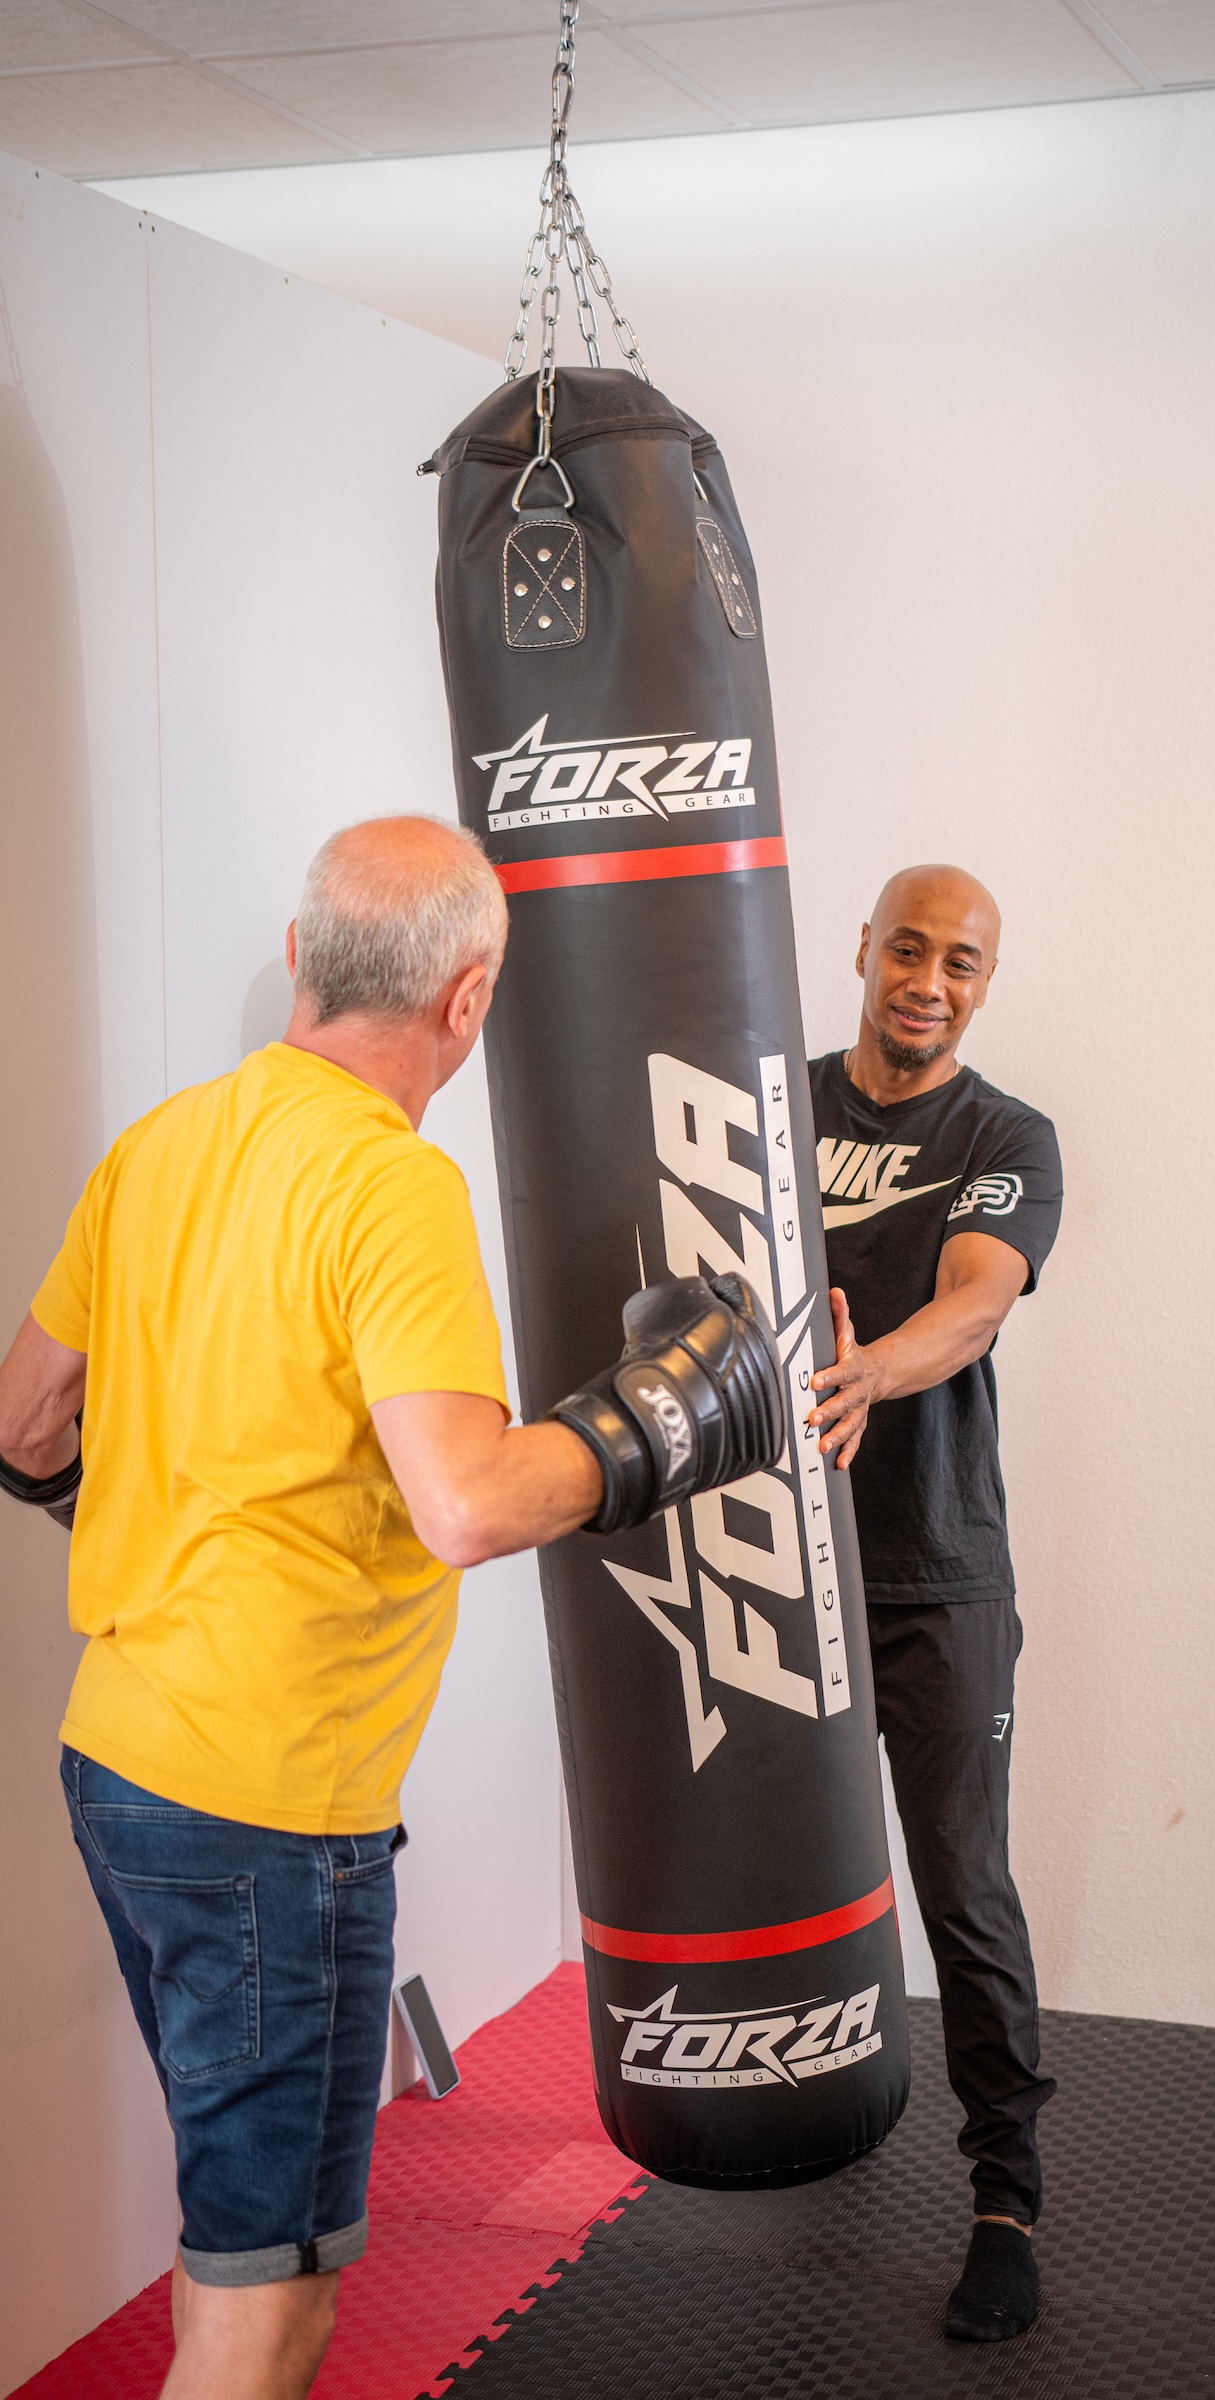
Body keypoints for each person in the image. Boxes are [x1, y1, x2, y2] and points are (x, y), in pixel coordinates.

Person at [0, 815, 779, 2400]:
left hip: (116, 1770)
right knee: (265, 2309)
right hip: (266, 1812)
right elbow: (470, 1502)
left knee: (237, 2228)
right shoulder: (389, 1187)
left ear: (301, 958)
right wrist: (665, 1424)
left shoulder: (158, 1145)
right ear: (469, 999)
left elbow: (24, 1427)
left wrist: (195, 1495)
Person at [806, 864, 1062, 2346]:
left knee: (961, 1887)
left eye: (960, 962)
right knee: (772, 1860)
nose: (929, 980)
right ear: (864, 949)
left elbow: (975, 1299)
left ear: (982, 983)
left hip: (932, 1567)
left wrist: (870, 1371)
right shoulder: (769, 1108)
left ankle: (1005, 2199)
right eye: (908, 948)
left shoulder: (1001, 1134)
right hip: (779, 1554)